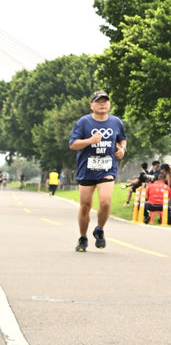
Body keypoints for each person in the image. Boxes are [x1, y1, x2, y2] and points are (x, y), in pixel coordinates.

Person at [69, 92, 127, 251]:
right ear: (91, 105)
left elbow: (122, 138)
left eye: (105, 101)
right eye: (98, 101)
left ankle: (99, 229)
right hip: (87, 169)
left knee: (105, 202)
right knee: (85, 205)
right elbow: (73, 144)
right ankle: (83, 238)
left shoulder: (116, 122)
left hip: (107, 168)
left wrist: (122, 149)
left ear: (109, 104)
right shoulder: (83, 122)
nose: (102, 104)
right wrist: (90, 141)